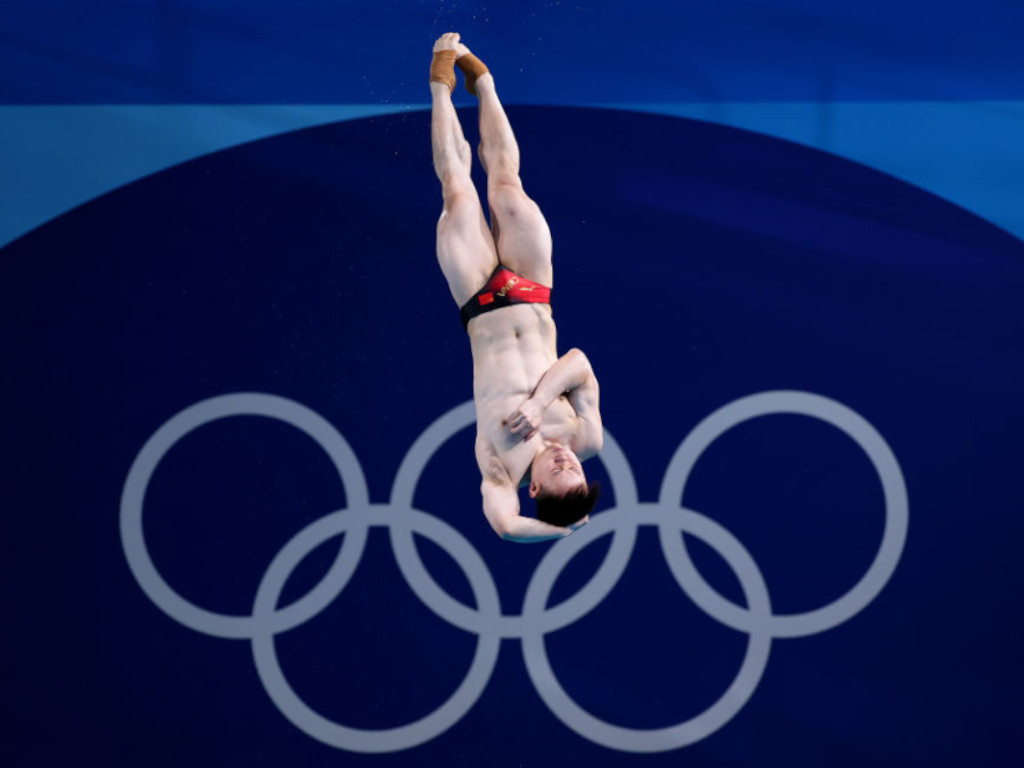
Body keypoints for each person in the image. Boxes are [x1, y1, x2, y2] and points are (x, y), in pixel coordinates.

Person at [429, 32, 603, 543]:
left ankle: (440, 83)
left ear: (534, 491)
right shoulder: (585, 436)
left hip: (477, 300)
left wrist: (566, 531)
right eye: (576, 469)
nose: (566, 460)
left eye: (558, 473)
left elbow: (505, 528)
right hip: (532, 289)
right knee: (506, 183)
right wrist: (538, 402)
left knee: (459, 193)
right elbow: (579, 363)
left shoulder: (499, 468)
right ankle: (483, 83)